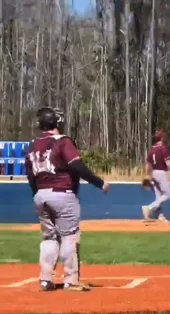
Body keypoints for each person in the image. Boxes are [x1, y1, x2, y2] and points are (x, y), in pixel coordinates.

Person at [25, 107, 110, 292]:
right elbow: (77, 166)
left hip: (41, 195)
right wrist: (99, 182)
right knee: (69, 237)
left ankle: (45, 280)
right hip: (62, 193)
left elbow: (31, 176)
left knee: (48, 238)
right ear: (56, 123)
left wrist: (37, 195)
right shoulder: (63, 142)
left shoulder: (32, 145)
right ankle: (71, 280)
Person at [141, 129, 170, 223]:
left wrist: (147, 175)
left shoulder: (152, 149)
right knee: (167, 195)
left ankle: (160, 216)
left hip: (154, 173)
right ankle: (148, 208)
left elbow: (147, 164)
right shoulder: (163, 148)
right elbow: (168, 162)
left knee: (158, 196)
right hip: (162, 173)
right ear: (162, 138)